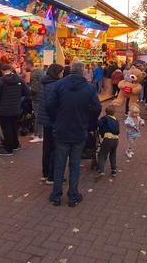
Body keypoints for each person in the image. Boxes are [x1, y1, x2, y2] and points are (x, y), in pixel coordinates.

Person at [45, 61, 101, 207]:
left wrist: (56, 119)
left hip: (62, 129)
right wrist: (88, 122)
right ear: (83, 72)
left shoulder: (59, 85)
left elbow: (49, 105)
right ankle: (73, 195)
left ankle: (56, 195)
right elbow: (96, 108)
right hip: (79, 129)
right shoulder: (89, 88)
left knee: (59, 163)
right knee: (75, 164)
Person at [0, 63, 29, 156]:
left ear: (2, 71)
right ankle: (15, 144)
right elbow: (27, 92)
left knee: (6, 128)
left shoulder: (0, 81)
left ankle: (8, 149)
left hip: (4, 109)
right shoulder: (19, 79)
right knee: (13, 126)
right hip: (16, 108)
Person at [37, 63, 64, 184]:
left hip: (45, 120)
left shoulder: (45, 83)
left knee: (47, 147)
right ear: (57, 73)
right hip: (52, 120)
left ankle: (45, 172)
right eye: (61, 72)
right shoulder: (54, 85)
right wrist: (56, 118)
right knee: (54, 148)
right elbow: (52, 105)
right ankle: (52, 176)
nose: (62, 74)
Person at [96, 104, 120, 180]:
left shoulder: (105, 118)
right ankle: (114, 170)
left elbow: (98, 124)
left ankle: (101, 170)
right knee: (113, 154)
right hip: (116, 139)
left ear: (106, 112)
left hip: (107, 139)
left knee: (102, 155)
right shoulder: (116, 120)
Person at [29, 60, 45, 143]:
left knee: (37, 116)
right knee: (37, 115)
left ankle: (39, 135)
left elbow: (34, 88)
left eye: (25, 65)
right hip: (41, 96)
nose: (24, 67)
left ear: (29, 65)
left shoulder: (34, 73)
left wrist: (29, 91)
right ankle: (36, 133)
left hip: (36, 97)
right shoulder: (40, 71)